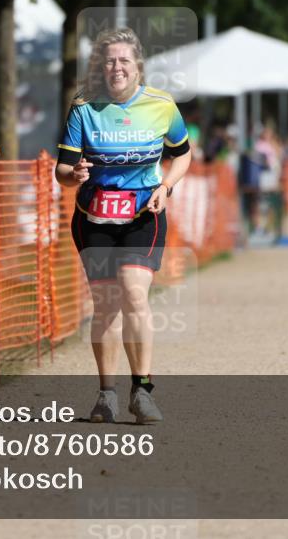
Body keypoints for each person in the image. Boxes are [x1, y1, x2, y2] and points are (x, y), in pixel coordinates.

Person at [55, 27, 192, 425]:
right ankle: (107, 395)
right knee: (106, 305)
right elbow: (61, 170)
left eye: (124, 61)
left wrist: (166, 185)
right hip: (93, 219)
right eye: (110, 60)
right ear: (101, 66)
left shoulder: (162, 105)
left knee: (133, 293)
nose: (117, 67)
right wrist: (74, 173)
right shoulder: (84, 109)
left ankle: (143, 391)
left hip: (143, 217)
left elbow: (183, 154)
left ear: (138, 67)